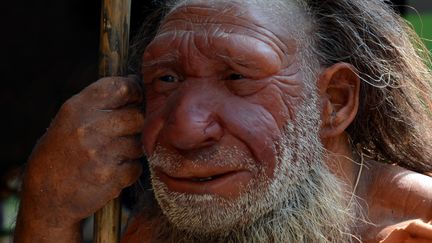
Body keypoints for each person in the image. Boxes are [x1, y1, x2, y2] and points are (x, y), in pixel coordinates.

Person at [14, 0, 432, 242]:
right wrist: (48, 209)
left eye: (237, 77)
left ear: (334, 102)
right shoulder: (157, 233)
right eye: (168, 78)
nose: (184, 129)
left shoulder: (415, 227)